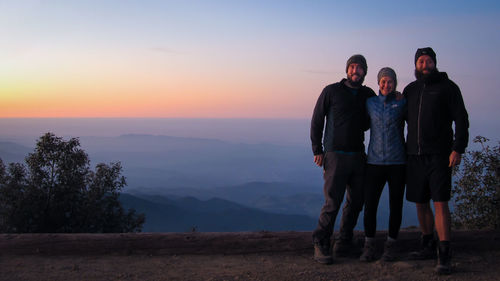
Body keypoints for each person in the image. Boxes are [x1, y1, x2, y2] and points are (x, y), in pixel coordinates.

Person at [403, 47, 469, 274]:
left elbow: (461, 119)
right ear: (416, 65)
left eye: (428, 61)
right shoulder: (410, 90)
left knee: (440, 202)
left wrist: (457, 148)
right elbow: (400, 119)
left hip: (440, 155)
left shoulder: (449, 88)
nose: (425, 64)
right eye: (421, 61)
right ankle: (427, 243)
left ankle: (445, 251)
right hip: (414, 156)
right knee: (420, 202)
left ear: (435, 63)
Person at [310, 54, 376, 264]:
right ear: (347, 70)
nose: (355, 71)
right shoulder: (332, 91)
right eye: (352, 67)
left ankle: (344, 240)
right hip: (335, 155)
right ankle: (321, 242)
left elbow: (375, 115)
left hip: (358, 155)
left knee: (356, 201)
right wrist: (317, 150)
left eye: (359, 68)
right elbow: (317, 120)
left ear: (365, 71)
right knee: (333, 202)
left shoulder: (368, 94)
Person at [359, 67, 406, 262]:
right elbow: (360, 123)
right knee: (370, 205)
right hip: (374, 162)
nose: (386, 85)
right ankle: (369, 246)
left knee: (396, 205)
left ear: (395, 83)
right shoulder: (370, 103)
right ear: (378, 83)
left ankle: (391, 246)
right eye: (383, 81)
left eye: (390, 82)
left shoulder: (402, 102)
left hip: (398, 162)